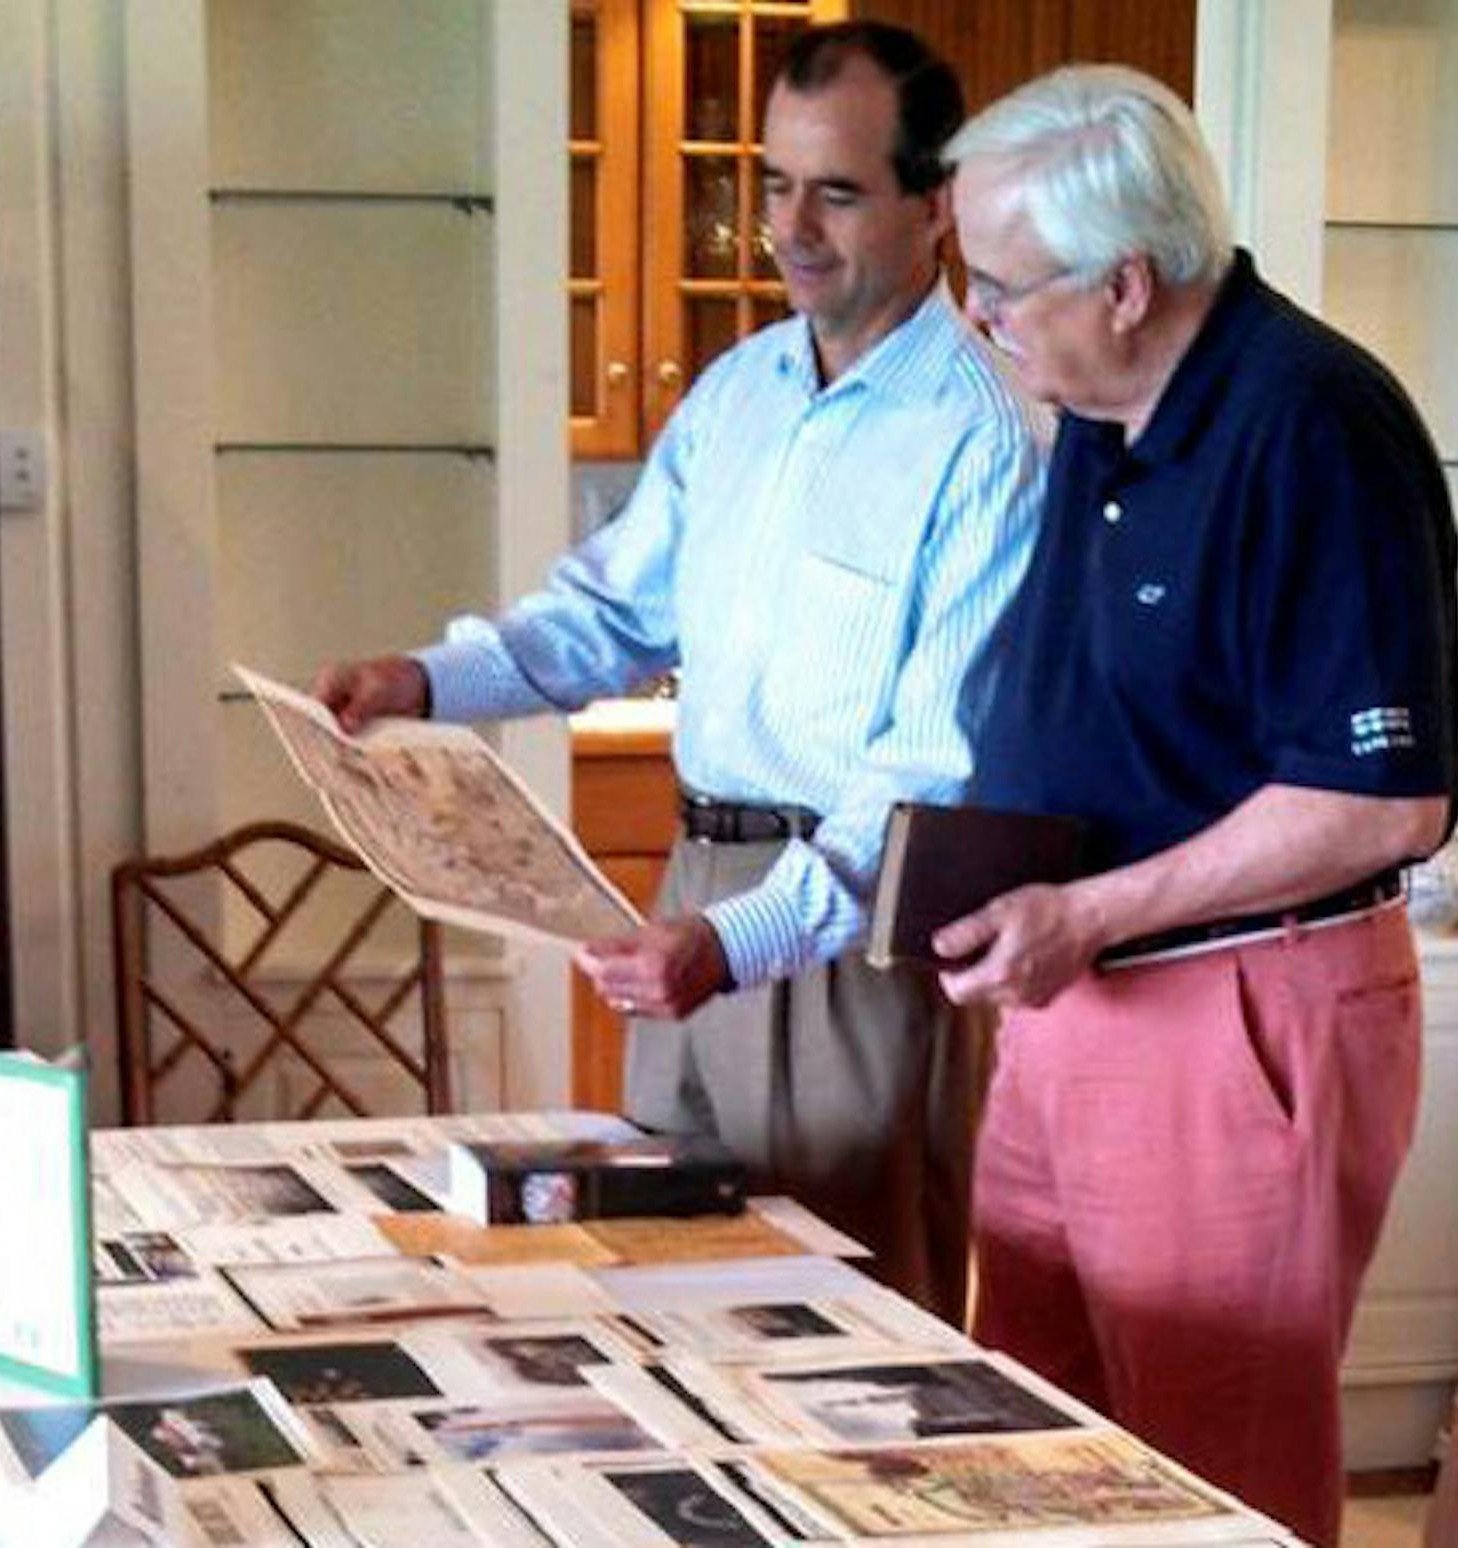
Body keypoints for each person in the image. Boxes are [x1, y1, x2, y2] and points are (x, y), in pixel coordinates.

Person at [314, 23, 1047, 1327]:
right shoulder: (738, 395)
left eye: (837, 190)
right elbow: (602, 618)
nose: (790, 227)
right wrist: (422, 683)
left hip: (848, 939)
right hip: (691, 895)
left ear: (936, 205)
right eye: (772, 184)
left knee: (853, 1338)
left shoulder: (985, 440)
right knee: (665, 1302)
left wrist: (734, 942)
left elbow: (929, 774)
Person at [933, 66, 1458, 1548]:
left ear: (1123, 283)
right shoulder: (1104, 403)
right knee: (1031, 1454)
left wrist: (1089, 909)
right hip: (1079, 1004)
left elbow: (1381, 802)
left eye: (999, 285)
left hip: (1230, 1010)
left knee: (1210, 1480)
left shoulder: (1314, 426)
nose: (979, 316)